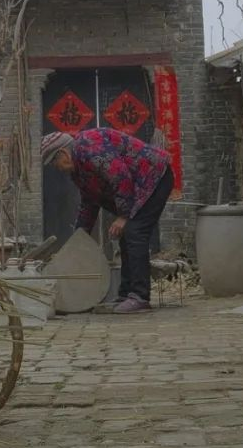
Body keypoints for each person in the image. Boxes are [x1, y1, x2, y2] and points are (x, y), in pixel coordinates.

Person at [40, 126, 174, 313]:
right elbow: (89, 202)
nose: (57, 168)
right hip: (136, 188)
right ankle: (126, 294)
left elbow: (121, 177)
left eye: (56, 163)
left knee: (134, 232)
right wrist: (79, 236)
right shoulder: (78, 170)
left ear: (63, 153)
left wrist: (123, 216)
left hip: (153, 178)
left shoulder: (88, 147)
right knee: (127, 235)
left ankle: (140, 296)